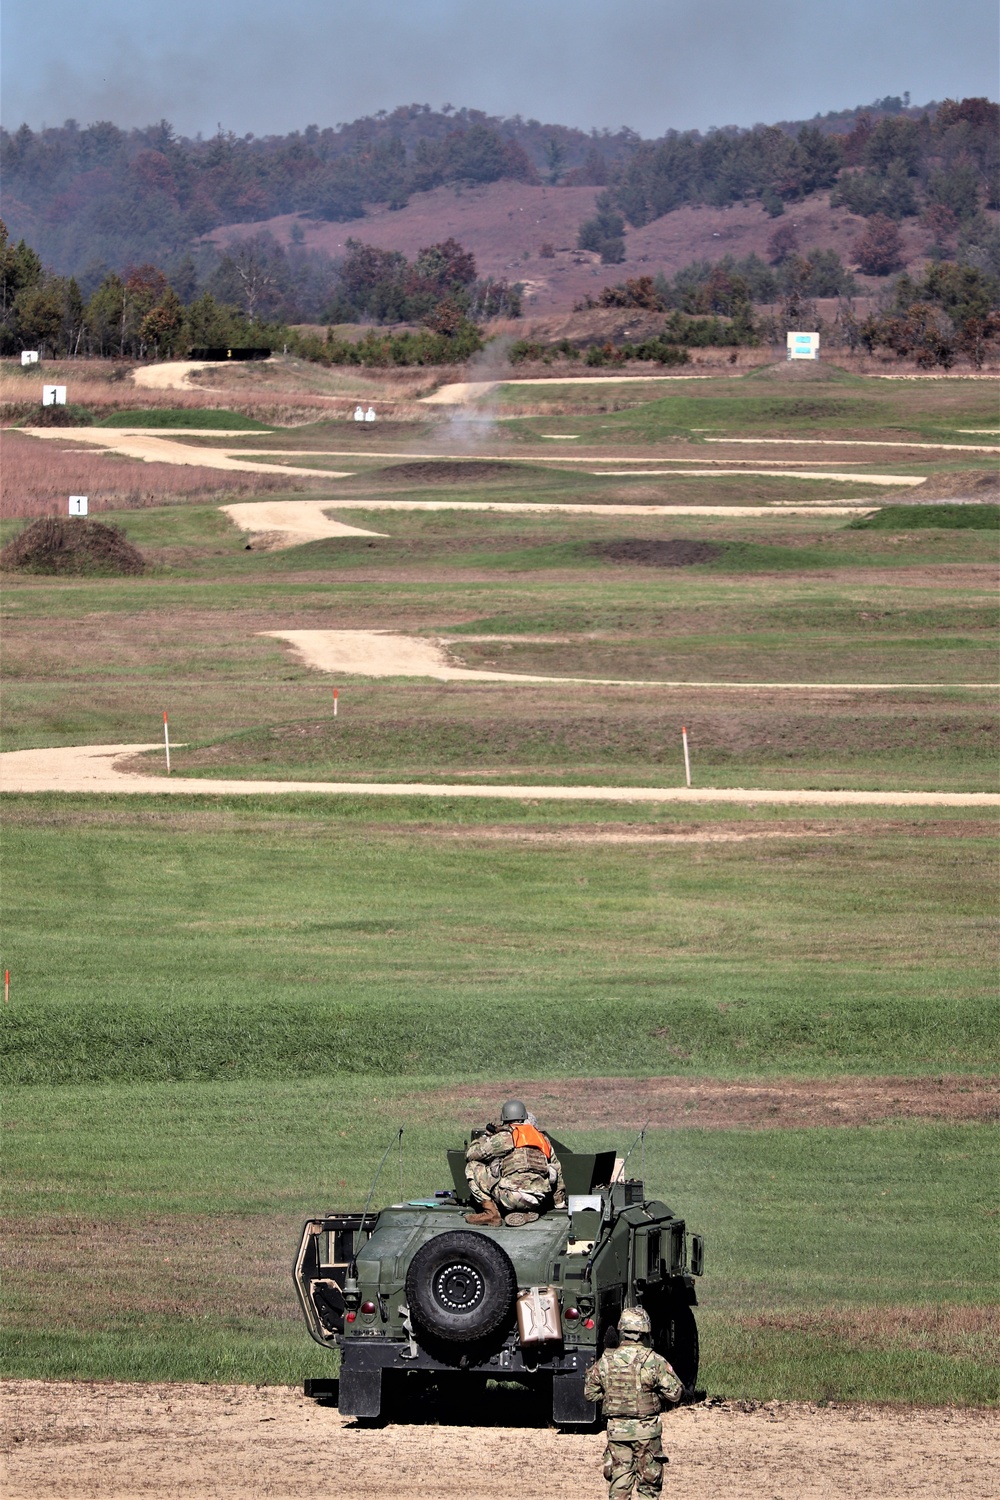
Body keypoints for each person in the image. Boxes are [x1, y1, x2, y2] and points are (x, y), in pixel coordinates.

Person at [583, 1307, 684, 1500]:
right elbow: (676, 1393)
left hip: (617, 1433)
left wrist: (613, 1396)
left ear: (622, 1330)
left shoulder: (606, 1361)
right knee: (648, 1487)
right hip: (647, 1434)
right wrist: (653, 1396)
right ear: (645, 1332)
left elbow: (590, 1393)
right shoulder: (653, 1360)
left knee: (619, 1485)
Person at [464, 1099, 567, 1227]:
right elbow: (557, 1169)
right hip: (538, 1199)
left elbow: (470, 1155)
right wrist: (559, 1203)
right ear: (524, 1116)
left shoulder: (504, 1137)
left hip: (510, 1198)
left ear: (504, 1118)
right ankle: (528, 1211)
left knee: (472, 1167)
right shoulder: (542, 1139)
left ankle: (491, 1214)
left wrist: (486, 1137)